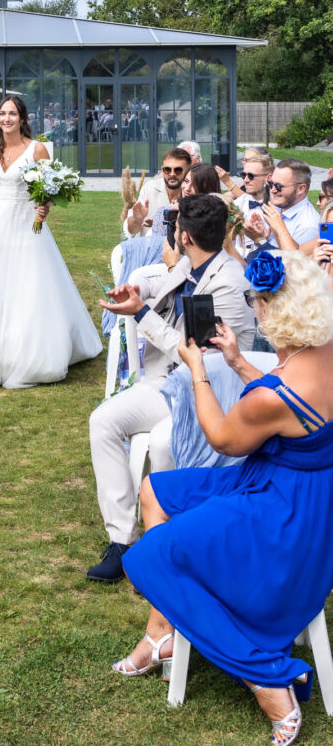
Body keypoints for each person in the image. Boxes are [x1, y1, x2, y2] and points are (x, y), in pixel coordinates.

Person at [115, 250, 333, 746]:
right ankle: (161, 634)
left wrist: (199, 368)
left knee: (150, 555)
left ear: (271, 311)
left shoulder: (274, 396)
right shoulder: (326, 353)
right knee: (156, 490)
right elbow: (296, 414)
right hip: (308, 494)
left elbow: (222, 438)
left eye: (257, 302)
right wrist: (235, 359)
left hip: (282, 517)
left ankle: (265, 676)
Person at [88, 194, 255, 582]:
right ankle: (122, 539)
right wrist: (134, 297)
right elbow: (161, 290)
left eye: (177, 229)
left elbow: (204, 360)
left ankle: (162, 546)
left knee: (163, 443)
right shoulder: (188, 264)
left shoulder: (228, 284)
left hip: (207, 391)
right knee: (103, 420)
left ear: (186, 237)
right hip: (165, 382)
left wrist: (142, 315)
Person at [0, 95, 101, 389]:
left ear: (22, 118)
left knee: (26, 287)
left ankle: (23, 358)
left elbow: (48, 189)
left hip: (25, 225)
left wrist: (45, 207)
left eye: (12, 114)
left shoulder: (36, 149)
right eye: (2, 114)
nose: (7, 119)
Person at [124, 149, 191, 238]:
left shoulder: (192, 193)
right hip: (149, 248)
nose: (172, 174)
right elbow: (132, 230)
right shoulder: (150, 188)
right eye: (167, 169)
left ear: (188, 171)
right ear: (162, 169)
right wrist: (137, 220)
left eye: (178, 170)